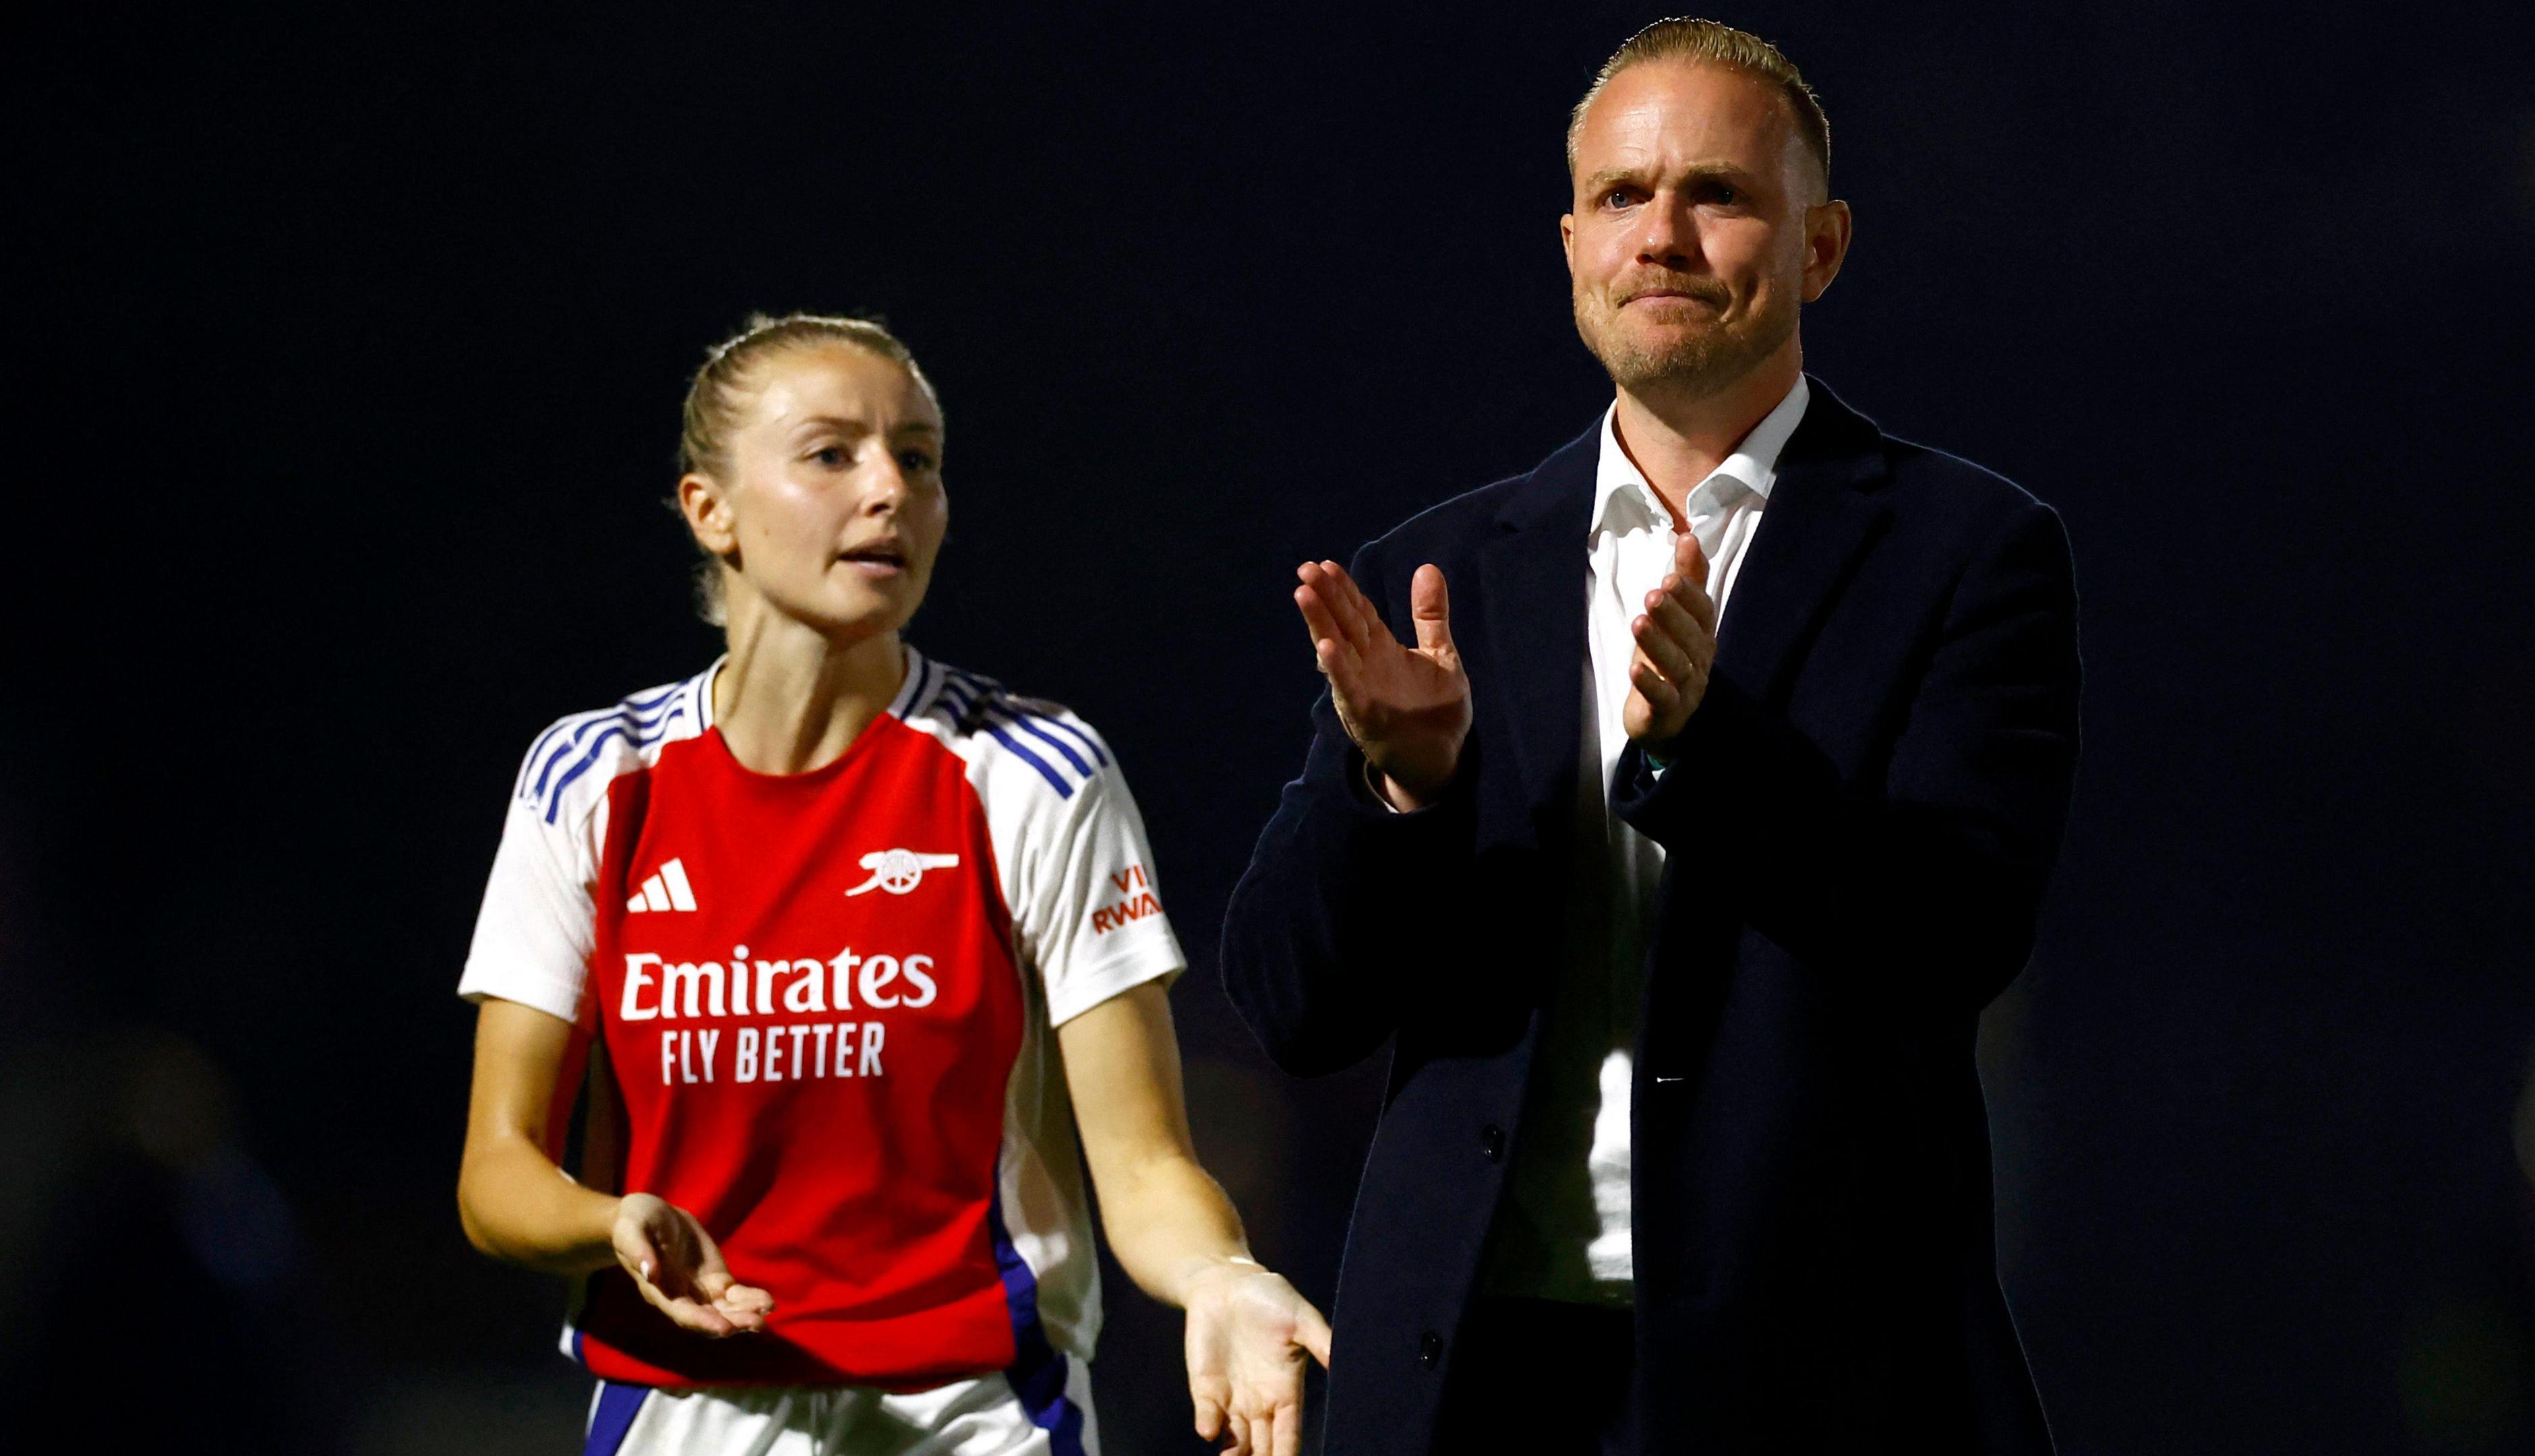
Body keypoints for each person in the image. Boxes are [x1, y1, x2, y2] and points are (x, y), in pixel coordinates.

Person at [1221, 18, 2079, 1456]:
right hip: (1472, 1378)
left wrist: (1710, 748)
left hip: (1816, 1378)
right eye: (1623, 197)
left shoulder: (1969, 551)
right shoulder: (1442, 568)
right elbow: (1292, 1002)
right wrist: (1399, 788)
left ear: (1821, 247)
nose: (1663, 236)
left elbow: (1958, 933)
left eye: (1718, 195)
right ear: (1571, 245)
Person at [456, 314, 1329, 1456]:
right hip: (682, 1412)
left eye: (917, 459)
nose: (891, 491)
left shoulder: (1033, 772)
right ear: (708, 510)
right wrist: (610, 1220)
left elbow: (1146, 1161)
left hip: (971, 1416)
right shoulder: (591, 780)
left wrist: (1221, 1275)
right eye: (832, 454)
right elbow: (497, 1173)